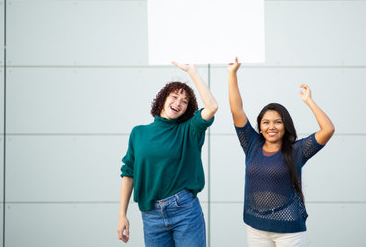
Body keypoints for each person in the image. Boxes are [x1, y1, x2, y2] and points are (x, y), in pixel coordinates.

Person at [227, 57, 334, 247]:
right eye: (266, 122)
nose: (271, 127)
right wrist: (232, 73)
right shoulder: (251, 144)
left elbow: (328, 130)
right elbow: (237, 109)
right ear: (260, 126)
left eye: (278, 121)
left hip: (288, 230)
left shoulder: (297, 150)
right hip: (256, 228)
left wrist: (309, 101)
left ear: (285, 125)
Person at [117, 62, 218, 247]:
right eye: (174, 96)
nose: (178, 103)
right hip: (151, 215)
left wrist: (192, 71)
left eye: (184, 101)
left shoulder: (189, 130)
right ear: (163, 99)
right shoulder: (138, 133)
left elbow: (211, 107)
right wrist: (122, 214)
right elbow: (129, 173)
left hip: (185, 211)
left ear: (188, 108)